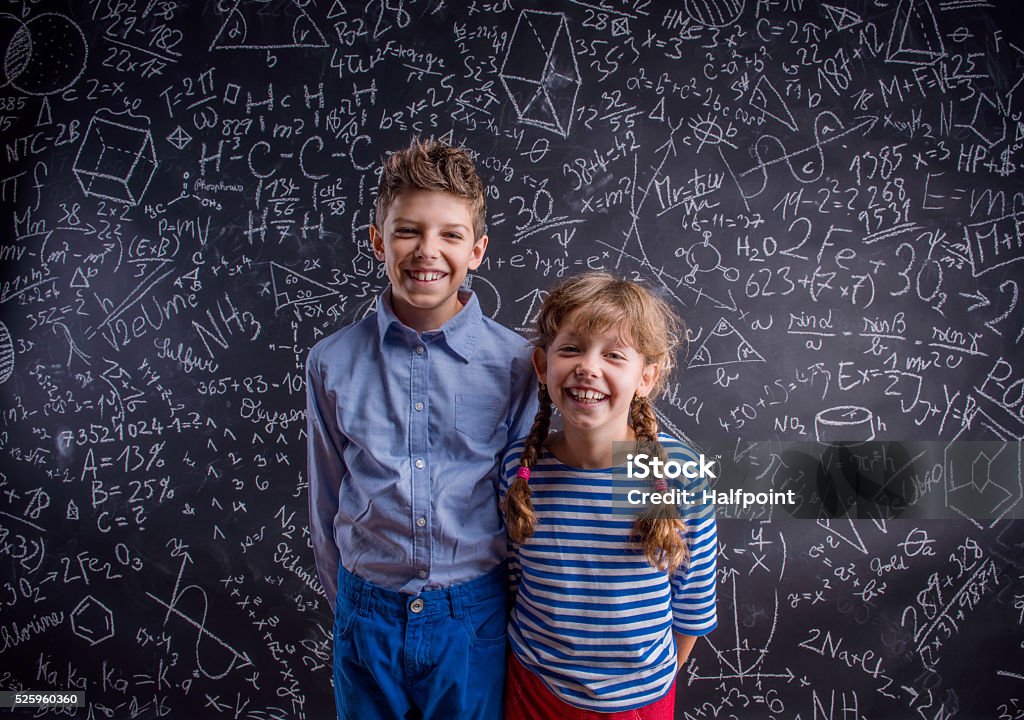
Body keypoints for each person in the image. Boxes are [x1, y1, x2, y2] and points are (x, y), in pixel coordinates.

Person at [306, 137, 538, 720]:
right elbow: (327, 495)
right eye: (408, 231)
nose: (427, 251)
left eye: (450, 235)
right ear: (378, 241)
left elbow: (527, 501)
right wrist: (353, 607)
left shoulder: (518, 365)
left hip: (474, 615)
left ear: (478, 249)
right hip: (366, 614)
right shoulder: (331, 363)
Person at [501, 272, 718, 719]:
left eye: (614, 354)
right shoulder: (521, 469)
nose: (588, 367)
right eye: (571, 348)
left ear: (646, 377)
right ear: (543, 367)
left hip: (641, 701)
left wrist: (646, 687)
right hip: (535, 690)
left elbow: (692, 603)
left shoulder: (678, 472)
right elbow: (511, 579)